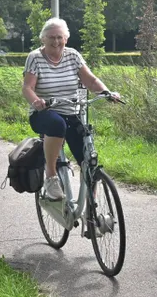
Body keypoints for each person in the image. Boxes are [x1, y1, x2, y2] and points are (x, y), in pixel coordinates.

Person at [22, 18, 120, 201]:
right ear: (43, 39)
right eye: (51, 37)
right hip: (44, 113)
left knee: (88, 160)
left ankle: (91, 212)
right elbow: (27, 87)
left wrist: (106, 92)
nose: (56, 41)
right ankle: (51, 176)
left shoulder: (73, 56)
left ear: (66, 39)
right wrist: (36, 101)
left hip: (71, 113)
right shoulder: (35, 58)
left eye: (60, 37)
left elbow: (90, 80)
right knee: (57, 125)